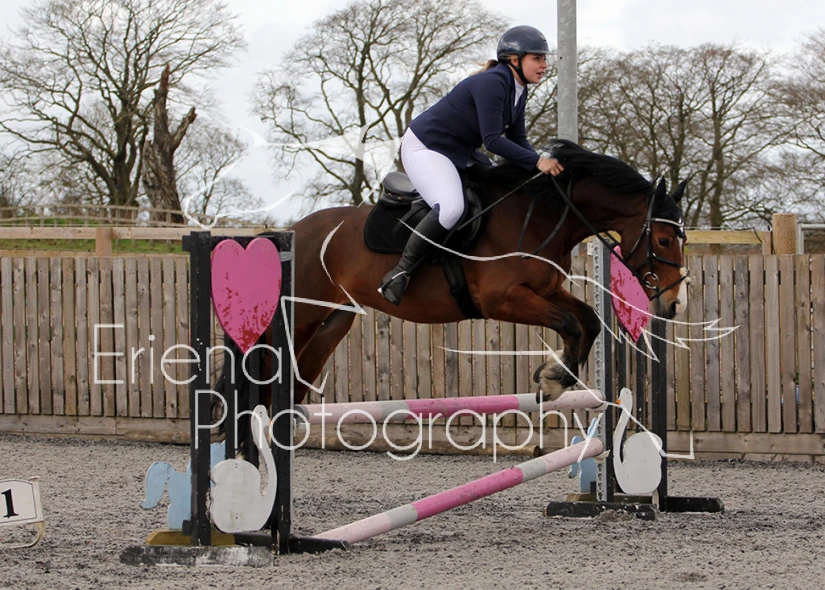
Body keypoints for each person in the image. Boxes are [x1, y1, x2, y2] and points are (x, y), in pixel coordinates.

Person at [379, 25, 565, 306]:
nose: (544, 65)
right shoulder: (493, 83)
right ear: (515, 60)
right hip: (427, 147)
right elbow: (492, 141)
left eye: (544, 59)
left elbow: (517, 139)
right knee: (452, 207)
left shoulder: (519, 89)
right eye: (537, 58)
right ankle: (400, 272)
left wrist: (541, 169)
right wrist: (538, 161)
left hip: (458, 150)